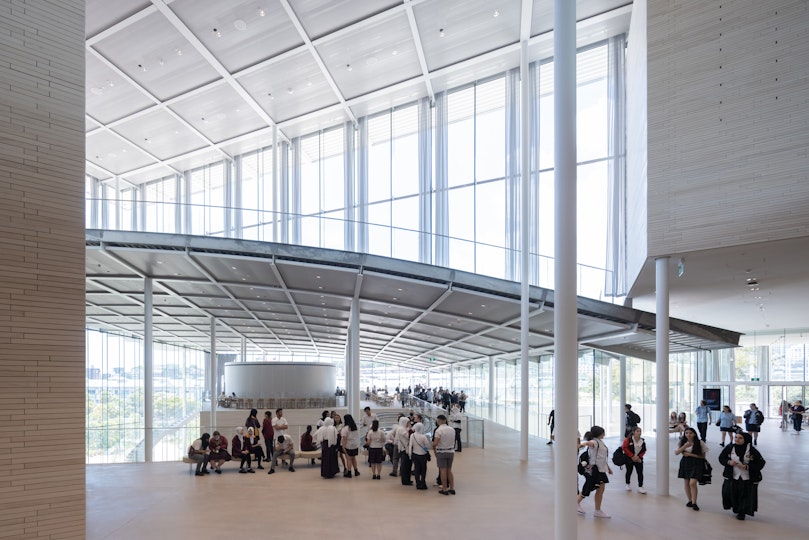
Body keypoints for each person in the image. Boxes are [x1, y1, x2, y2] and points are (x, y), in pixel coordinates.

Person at [718, 431, 765, 520]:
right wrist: (728, 462)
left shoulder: (752, 450)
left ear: (746, 440)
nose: (737, 439)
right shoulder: (730, 447)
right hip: (732, 476)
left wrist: (747, 466)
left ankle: (742, 512)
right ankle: (736, 508)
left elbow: (761, 463)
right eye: (736, 437)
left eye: (740, 438)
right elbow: (721, 458)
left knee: (744, 494)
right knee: (731, 493)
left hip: (747, 477)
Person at [576, 426, 613, 518]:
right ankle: (575, 503)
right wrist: (581, 445)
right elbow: (589, 443)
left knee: (600, 490)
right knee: (587, 489)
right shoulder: (595, 442)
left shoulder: (600, 442)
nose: (604, 434)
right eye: (603, 432)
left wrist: (608, 468)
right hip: (594, 471)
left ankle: (597, 510)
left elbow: (602, 457)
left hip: (601, 470)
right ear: (600, 433)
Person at [675, 427, 707, 511]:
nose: (688, 435)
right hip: (685, 463)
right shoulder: (682, 442)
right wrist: (685, 446)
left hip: (697, 463)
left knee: (692, 483)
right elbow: (676, 452)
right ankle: (690, 500)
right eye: (686, 433)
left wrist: (690, 454)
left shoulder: (700, 443)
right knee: (686, 482)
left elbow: (703, 456)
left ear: (694, 434)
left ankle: (694, 502)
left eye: (690, 433)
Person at [433, 414, 456, 495]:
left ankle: (444, 489)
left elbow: (435, 443)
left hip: (442, 452)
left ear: (438, 421)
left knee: (443, 470)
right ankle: (452, 488)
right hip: (451, 452)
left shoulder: (438, 430)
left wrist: (434, 449)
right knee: (449, 470)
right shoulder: (452, 429)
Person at [622, 426, 647, 493]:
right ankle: (627, 484)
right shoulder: (628, 440)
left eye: (640, 431)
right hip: (629, 459)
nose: (639, 433)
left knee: (640, 473)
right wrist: (632, 456)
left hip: (638, 459)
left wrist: (638, 457)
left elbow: (644, 450)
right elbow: (625, 448)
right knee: (629, 471)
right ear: (633, 432)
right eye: (637, 431)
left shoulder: (642, 441)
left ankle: (640, 486)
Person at [409, 422, 430, 490]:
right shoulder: (423, 436)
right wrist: (424, 449)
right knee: (423, 469)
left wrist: (410, 454)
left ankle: (418, 483)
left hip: (415, 454)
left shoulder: (412, 435)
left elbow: (410, 445)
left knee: (417, 469)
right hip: (423, 455)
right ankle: (423, 483)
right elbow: (427, 446)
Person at [341, 413, 361, 478]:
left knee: (348, 459)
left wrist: (343, 447)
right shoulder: (355, 427)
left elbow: (344, 439)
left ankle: (349, 473)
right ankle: (356, 471)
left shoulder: (345, 428)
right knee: (353, 458)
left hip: (348, 445)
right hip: (355, 445)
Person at [395, 415, 413, 485]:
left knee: (408, 465)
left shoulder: (404, 428)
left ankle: (408, 479)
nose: (409, 424)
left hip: (407, 448)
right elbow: (407, 436)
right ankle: (405, 480)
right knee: (405, 465)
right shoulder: (401, 429)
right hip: (404, 449)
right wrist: (410, 429)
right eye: (407, 422)